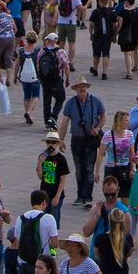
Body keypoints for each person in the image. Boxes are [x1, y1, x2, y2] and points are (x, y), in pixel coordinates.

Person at [56, 81, 104, 209]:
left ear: (87, 88)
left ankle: (87, 196)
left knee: (88, 169)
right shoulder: (70, 103)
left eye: (83, 86)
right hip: (76, 140)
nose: (82, 89)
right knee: (78, 170)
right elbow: (65, 121)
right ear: (75, 89)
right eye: (79, 87)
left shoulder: (95, 101)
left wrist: (98, 128)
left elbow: (103, 116)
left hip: (91, 139)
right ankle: (80, 196)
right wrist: (60, 140)